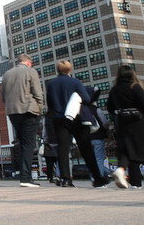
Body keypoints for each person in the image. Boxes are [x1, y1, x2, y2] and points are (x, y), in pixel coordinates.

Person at [46, 60, 109, 188]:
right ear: (69, 70)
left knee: (63, 150)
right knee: (86, 148)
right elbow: (86, 99)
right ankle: (97, 178)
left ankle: (66, 179)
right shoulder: (75, 82)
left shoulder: (51, 84)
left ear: (57, 70)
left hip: (59, 118)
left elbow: (50, 103)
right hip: (77, 118)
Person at [107, 64, 144, 191]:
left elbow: (110, 108)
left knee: (128, 149)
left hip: (123, 121)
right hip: (139, 121)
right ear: (132, 74)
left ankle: (122, 170)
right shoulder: (135, 86)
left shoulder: (114, 90)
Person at [0, 54, 44, 188]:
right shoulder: (31, 72)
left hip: (13, 112)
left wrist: (9, 106)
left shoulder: (7, 74)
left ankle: (24, 175)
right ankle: (26, 177)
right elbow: (37, 92)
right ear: (28, 63)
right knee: (29, 144)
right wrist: (40, 108)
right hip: (29, 110)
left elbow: (3, 95)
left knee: (21, 142)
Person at [83, 87, 111, 179]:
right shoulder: (96, 110)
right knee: (99, 158)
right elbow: (105, 123)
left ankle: (93, 176)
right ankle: (99, 178)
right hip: (98, 137)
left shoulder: (82, 110)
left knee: (91, 159)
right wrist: (107, 133)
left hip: (86, 138)